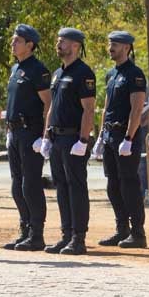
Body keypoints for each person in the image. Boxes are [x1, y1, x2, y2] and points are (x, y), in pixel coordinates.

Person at [44, 27, 97, 255]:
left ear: (75, 46)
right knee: (61, 188)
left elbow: (89, 109)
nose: (58, 44)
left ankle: (79, 237)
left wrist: (83, 140)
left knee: (76, 187)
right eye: (58, 40)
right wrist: (46, 135)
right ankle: (66, 234)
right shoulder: (58, 73)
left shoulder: (83, 73)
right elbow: (53, 106)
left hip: (73, 137)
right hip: (57, 138)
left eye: (62, 41)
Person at [3, 24, 52, 251]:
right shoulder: (15, 69)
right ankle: (24, 229)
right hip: (14, 132)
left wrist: (43, 136)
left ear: (29, 45)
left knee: (30, 184)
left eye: (17, 41)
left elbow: (48, 103)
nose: (13, 44)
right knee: (16, 184)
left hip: (30, 133)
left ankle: (37, 233)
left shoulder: (37, 70)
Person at [97, 31, 148, 248]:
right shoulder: (111, 74)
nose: (111, 48)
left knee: (129, 184)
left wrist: (129, 137)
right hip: (109, 135)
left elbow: (137, 109)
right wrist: (99, 136)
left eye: (115, 44)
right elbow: (107, 107)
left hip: (125, 135)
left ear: (127, 48)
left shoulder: (134, 74)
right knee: (113, 184)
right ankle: (121, 229)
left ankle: (138, 233)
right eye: (110, 44)